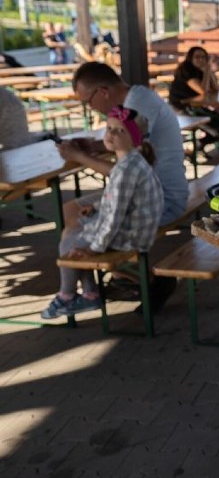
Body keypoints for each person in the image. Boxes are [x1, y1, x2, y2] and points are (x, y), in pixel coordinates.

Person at [41, 106, 163, 319]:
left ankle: (67, 296)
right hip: (135, 227)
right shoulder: (130, 162)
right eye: (109, 128)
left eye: (120, 131)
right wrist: (96, 207)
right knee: (77, 229)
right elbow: (116, 198)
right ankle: (89, 293)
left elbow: (115, 214)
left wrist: (96, 248)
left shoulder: (126, 170)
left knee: (70, 242)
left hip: (131, 236)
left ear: (135, 139)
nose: (111, 134)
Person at [59, 62, 188, 228]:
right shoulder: (138, 97)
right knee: (70, 211)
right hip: (150, 194)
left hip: (163, 201)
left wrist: (78, 156)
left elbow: (125, 174)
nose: (91, 108)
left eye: (88, 102)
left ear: (103, 92)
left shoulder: (137, 107)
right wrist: (93, 146)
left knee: (78, 222)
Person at [168, 46, 219, 152]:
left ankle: (196, 146)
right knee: (215, 131)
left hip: (194, 107)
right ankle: (192, 148)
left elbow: (215, 89)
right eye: (197, 57)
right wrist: (207, 72)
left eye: (203, 57)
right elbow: (203, 91)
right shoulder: (187, 71)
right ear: (190, 58)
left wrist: (209, 70)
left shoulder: (199, 70)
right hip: (181, 110)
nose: (200, 60)